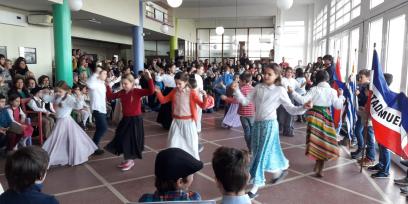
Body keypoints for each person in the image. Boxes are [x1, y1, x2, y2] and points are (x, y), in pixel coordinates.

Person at [231, 63, 312, 198]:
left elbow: (291, 109)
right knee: (261, 152)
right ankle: (278, 173)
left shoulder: (280, 90)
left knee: (260, 155)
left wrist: (304, 107)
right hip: (257, 125)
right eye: (265, 73)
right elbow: (245, 102)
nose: (266, 76)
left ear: (277, 76)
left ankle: (255, 187)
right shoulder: (258, 87)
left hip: (270, 126)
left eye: (270, 74)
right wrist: (236, 90)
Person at [291, 70, 345, 177]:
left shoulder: (314, 89)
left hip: (314, 116)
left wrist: (292, 92)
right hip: (326, 117)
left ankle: (318, 164)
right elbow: (338, 106)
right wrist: (341, 96)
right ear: (327, 78)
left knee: (315, 141)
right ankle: (320, 165)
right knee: (324, 141)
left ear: (317, 79)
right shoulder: (332, 91)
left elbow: (302, 100)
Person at [105, 71, 155, 171]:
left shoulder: (136, 91)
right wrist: (107, 85)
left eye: (126, 84)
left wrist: (149, 78)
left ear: (132, 83)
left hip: (135, 120)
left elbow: (151, 91)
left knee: (130, 140)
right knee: (121, 138)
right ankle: (128, 158)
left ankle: (130, 160)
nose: (123, 85)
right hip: (126, 119)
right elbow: (110, 96)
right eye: (122, 84)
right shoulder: (122, 92)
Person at [42, 81, 97, 166]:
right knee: (58, 139)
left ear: (66, 91)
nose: (58, 93)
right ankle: (54, 155)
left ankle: (69, 156)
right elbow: (46, 98)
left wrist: (79, 97)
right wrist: (44, 92)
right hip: (60, 121)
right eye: (57, 91)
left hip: (66, 121)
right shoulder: (56, 96)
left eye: (60, 91)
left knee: (62, 139)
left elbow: (78, 106)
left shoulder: (69, 98)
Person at [155, 72, 208, 160]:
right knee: (172, 145)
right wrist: (158, 92)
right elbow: (163, 100)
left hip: (188, 123)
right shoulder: (174, 91)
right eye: (176, 83)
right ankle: (174, 162)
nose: (177, 85)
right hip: (176, 122)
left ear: (186, 82)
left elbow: (203, 106)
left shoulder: (192, 93)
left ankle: (194, 163)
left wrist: (205, 96)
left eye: (180, 83)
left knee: (191, 146)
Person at [138, 148, 203, 202]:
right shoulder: (193, 199)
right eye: (192, 174)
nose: (193, 176)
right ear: (180, 182)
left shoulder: (145, 199)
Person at [222, 72, 255, 151]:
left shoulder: (241, 90)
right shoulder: (253, 89)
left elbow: (236, 101)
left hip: (243, 114)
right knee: (253, 131)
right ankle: (254, 147)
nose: (239, 82)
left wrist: (226, 98)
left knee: (247, 131)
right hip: (252, 114)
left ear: (243, 81)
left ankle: (250, 148)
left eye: (239, 81)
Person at [368, 73, 393, 178]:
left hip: (387, 126)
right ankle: (381, 164)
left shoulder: (389, 95)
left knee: (385, 147)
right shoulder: (381, 94)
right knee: (381, 145)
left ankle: (385, 171)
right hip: (380, 125)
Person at [351, 69, 376, 168]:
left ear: (368, 77)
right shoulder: (362, 85)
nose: (360, 79)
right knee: (362, 133)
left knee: (365, 135)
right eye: (359, 77)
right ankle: (363, 152)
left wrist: (359, 94)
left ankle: (366, 154)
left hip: (367, 115)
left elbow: (367, 99)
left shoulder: (369, 87)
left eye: (362, 77)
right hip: (362, 112)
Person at [86, 66, 108, 155]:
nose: (106, 75)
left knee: (100, 128)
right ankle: (94, 145)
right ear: (99, 74)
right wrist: (96, 73)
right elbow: (89, 83)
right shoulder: (94, 83)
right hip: (97, 109)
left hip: (102, 108)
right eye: (104, 73)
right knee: (103, 127)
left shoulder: (101, 83)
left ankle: (94, 146)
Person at [278, 67, 300, 137]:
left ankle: (288, 130)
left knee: (290, 114)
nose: (289, 73)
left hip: (291, 96)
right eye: (288, 72)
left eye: (291, 72)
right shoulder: (282, 79)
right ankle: (281, 127)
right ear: (285, 72)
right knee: (281, 114)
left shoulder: (294, 80)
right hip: (283, 96)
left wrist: (306, 81)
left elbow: (299, 86)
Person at [155, 64, 176, 129]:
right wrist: (159, 73)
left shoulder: (176, 75)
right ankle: (166, 123)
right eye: (173, 68)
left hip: (175, 91)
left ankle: (173, 123)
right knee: (167, 108)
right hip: (168, 91)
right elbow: (157, 79)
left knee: (173, 107)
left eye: (175, 68)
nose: (175, 69)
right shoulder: (165, 75)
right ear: (169, 69)